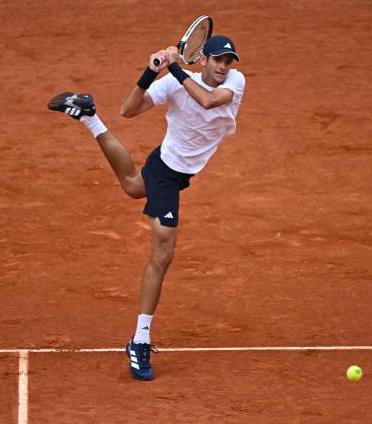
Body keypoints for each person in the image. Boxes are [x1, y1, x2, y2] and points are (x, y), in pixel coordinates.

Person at [47, 35, 245, 381]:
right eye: (218, 60)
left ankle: (89, 117)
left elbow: (209, 101)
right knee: (163, 253)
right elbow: (129, 109)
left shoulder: (233, 83)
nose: (224, 67)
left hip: (173, 170)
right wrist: (149, 72)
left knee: (133, 186)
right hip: (168, 173)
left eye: (228, 62)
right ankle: (139, 340)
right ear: (203, 60)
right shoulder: (174, 80)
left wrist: (174, 68)